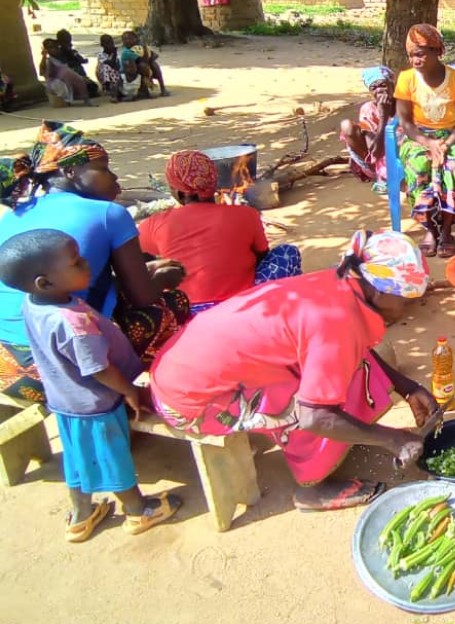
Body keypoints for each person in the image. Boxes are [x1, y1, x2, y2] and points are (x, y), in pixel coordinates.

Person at [149, 230, 440, 511]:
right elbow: (315, 416)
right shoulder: (337, 321)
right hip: (188, 402)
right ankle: (312, 489)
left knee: (348, 368)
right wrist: (394, 439)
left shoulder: (338, 281)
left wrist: (407, 387)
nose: (409, 308)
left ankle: (334, 445)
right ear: (377, 290)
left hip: (178, 369)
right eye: (405, 299)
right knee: (313, 400)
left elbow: (352, 346)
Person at [0, 229, 182, 542]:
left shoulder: (34, 304)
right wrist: (127, 389)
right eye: (76, 262)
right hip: (96, 403)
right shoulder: (73, 324)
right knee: (112, 457)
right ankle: (139, 511)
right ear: (45, 282)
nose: (86, 264)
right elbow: (98, 368)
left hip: (65, 400)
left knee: (78, 457)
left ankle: (81, 516)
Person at [0, 122, 190, 403]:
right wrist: (165, 278)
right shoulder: (109, 214)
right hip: (61, 373)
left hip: (8, 370)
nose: (114, 178)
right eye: (103, 168)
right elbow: (141, 297)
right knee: (172, 304)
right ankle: (149, 394)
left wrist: (143, 270)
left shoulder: (13, 216)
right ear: (69, 171)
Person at [138, 150, 302, 315]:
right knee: (288, 252)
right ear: (214, 183)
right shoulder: (247, 214)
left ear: (180, 193)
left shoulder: (154, 225)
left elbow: (141, 264)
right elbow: (262, 256)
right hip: (243, 306)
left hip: (187, 314)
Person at [393, 24, 455, 258]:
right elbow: (406, 122)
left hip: (452, 135)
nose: (414, 60)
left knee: (453, 165)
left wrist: (446, 144)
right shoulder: (406, 79)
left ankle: (447, 231)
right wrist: (428, 143)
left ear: (437, 51)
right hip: (418, 136)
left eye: (420, 53)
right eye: (410, 55)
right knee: (418, 166)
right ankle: (430, 229)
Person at [339, 66, 396, 194]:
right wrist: (383, 116)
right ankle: (380, 176)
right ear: (370, 93)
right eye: (373, 88)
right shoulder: (368, 109)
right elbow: (376, 153)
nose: (379, 90)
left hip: (403, 158)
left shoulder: (404, 105)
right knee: (346, 125)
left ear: (392, 85)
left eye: (383, 85)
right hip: (377, 161)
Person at [40, 39, 93, 107]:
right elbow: (42, 71)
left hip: (67, 81)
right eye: (50, 48)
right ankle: (65, 100)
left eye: (55, 47)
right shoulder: (48, 61)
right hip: (55, 84)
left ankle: (84, 98)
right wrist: (43, 56)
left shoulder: (62, 56)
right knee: (65, 73)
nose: (53, 49)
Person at [120, 30, 168, 97]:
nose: (127, 41)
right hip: (129, 73)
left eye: (130, 39)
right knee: (143, 66)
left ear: (136, 39)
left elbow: (153, 56)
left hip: (142, 68)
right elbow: (143, 59)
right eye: (125, 39)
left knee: (154, 65)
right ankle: (144, 90)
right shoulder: (127, 52)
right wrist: (144, 49)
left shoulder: (138, 48)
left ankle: (163, 88)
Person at [55, 29, 99, 98]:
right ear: (59, 42)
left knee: (93, 87)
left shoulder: (73, 52)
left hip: (80, 76)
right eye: (65, 42)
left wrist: (73, 53)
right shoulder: (59, 53)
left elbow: (82, 60)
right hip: (69, 76)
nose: (68, 44)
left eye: (69, 41)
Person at [95, 34, 122, 103]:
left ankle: (114, 87)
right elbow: (110, 63)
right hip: (103, 75)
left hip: (114, 73)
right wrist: (114, 53)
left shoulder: (116, 54)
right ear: (102, 45)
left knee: (116, 69)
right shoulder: (101, 55)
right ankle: (107, 86)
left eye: (111, 43)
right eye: (107, 43)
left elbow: (117, 65)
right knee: (107, 66)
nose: (110, 45)